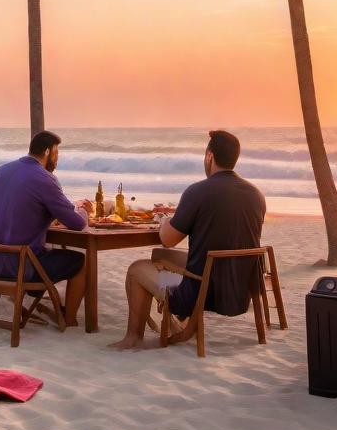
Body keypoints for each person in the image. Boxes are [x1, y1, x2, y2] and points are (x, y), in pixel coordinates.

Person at [108, 130, 266, 350]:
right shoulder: (255, 193)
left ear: (209, 156)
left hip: (201, 291)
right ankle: (178, 324)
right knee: (160, 257)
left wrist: (164, 220)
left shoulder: (198, 191)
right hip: (240, 289)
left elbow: (168, 239)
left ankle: (134, 337)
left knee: (137, 269)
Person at [0, 130, 93, 327]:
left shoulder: (0, 171)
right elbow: (77, 224)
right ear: (48, 151)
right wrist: (84, 210)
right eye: (57, 154)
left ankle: (36, 301)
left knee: (46, 254)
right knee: (82, 261)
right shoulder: (44, 178)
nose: (57, 160)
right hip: (21, 267)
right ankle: (69, 318)